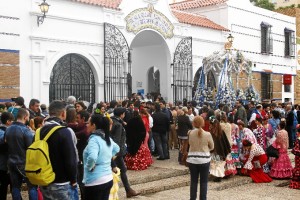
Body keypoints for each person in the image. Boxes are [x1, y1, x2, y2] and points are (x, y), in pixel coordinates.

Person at [39, 101, 78, 199]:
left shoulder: (39, 131)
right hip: (61, 182)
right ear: (63, 113)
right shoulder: (65, 132)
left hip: (44, 180)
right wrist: (73, 179)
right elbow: (71, 160)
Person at [83, 114, 120, 200]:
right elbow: (116, 149)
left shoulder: (94, 140)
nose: (86, 125)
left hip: (95, 180)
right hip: (107, 178)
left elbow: (92, 157)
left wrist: (89, 166)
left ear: (94, 125)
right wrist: (106, 159)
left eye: (88, 123)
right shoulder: (105, 137)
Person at [5, 108, 38, 200]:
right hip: (24, 162)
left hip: (11, 162)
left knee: (15, 187)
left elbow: (5, 142)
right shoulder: (25, 130)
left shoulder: (8, 129)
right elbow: (31, 147)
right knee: (32, 186)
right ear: (25, 117)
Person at [111, 107, 139, 198]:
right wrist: (116, 153)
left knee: (121, 170)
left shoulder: (112, 121)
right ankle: (128, 190)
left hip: (114, 152)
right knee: (122, 170)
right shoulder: (118, 125)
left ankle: (128, 190)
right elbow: (117, 141)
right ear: (122, 114)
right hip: (117, 153)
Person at [187, 116, 214, 200]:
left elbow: (189, 144)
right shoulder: (207, 134)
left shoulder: (190, 133)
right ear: (203, 123)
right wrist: (206, 150)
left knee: (193, 181)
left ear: (193, 123)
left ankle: (192, 198)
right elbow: (212, 147)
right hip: (204, 159)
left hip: (192, 159)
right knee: (203, 182)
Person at [0, 112, 14, 200]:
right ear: (8, 121)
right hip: (5, 164)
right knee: (4, 188)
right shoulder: (4, 132)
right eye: (13, 121)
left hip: (4, 165)